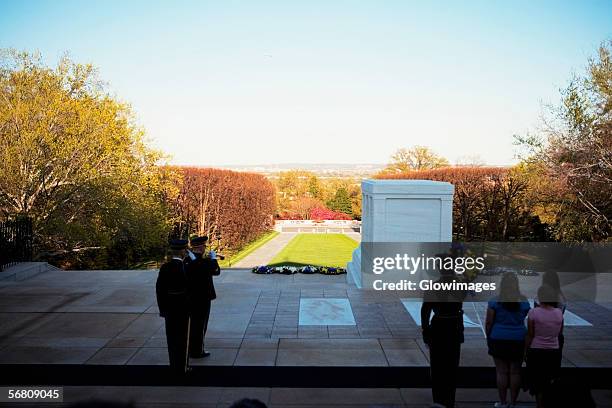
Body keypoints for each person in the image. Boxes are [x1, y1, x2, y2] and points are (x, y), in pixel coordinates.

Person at [421, 259, 467, 408]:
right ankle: (449, 400)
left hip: (439, 327)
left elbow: (425, 311)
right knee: (452, 366)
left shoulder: (433, 286)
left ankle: (439, 400)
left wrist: (425, 330)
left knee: (437, 366)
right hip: (454, 326)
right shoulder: (460, 286)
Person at [485, 272, 530, 408]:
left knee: (501, 371)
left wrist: (489, 338)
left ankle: (503, 402)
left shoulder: (494, 301)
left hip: (498, 338)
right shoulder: (524, 302)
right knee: (515, 372)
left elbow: (488, 322)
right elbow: (523, 317)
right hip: (518, 339)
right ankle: (513, 402)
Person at [525, 284, 564, 408]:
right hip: (553, 351)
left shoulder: (533, 312)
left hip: (537, 351)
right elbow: (559, 333)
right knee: (550, 381)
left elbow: (530, 334)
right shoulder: (559, 313)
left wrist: (525, 351)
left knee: (538, 383)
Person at [156, 239, 191, 375]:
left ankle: (174, 366)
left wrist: (162, 309)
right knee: (183, 339)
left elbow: (159, 290)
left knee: (171, 338)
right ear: (183, 252)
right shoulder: (186, 267)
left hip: (170, 308)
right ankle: (183, 368)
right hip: (183, 308)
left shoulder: (165, 267)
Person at [184, 235, 221, 358]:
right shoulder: (200, 262)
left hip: (191, 297)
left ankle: (192, 349)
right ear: (200, 248)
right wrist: (213, 259)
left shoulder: (188, 260)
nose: (205, 248)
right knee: (200, 325)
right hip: (202, 297)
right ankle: (197, 351)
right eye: (204, 246)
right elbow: (216, 271)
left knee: (195, 324)